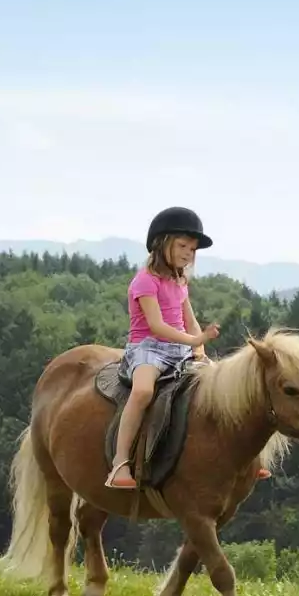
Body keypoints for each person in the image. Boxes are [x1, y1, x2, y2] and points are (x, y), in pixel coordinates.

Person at [106, 206, 221, 490]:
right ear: (161, 243)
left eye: (193, 249)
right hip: (148, 348)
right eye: (182, 246)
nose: (188, 254)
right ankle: (120, 462)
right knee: (143, 390)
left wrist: (200, 351)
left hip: (180, 349)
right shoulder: (145, 280)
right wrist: (194, 341)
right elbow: (156, 326)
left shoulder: (180, 280)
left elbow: (189, 320)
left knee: (220, 388)